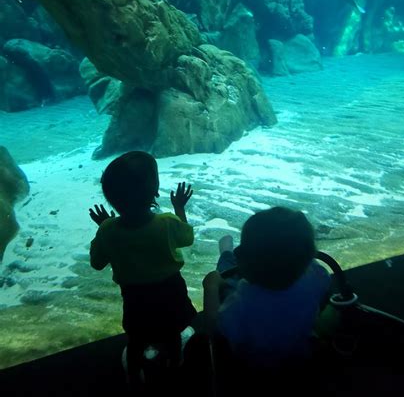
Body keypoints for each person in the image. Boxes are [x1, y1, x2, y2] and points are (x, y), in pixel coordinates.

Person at [89, 151, 196, 384]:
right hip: (171, 291)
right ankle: (175, 363)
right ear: (153, 190)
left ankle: (134, 374)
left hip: (135, 297)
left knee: (136, 337)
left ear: (111, 197)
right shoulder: (167, 222)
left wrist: (103, 227)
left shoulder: (108, 230)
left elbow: (97, 263)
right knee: (172, 331)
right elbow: (187, 238)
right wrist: (179, 208)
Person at [202, 206, 331, 369]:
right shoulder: (317, 275)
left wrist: (211, 287)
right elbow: (299, 260)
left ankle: (225, 253)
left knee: (225, 275)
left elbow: (214, 328)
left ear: (251, 267)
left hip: (254, 369)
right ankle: (228, 254)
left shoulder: (242, 303)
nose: (239, 251)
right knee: (235, 271)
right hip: (298, 356)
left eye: (244, 248)